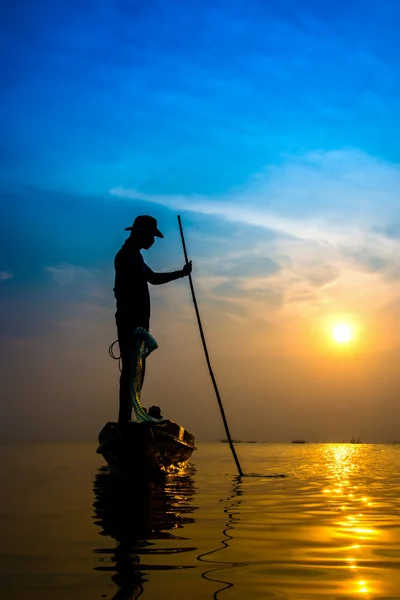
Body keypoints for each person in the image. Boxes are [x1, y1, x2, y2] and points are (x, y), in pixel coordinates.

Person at [114, 215, 192, 424]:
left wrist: (182, 274)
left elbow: (154, 278)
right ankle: (124, 421)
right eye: (151, 236)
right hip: (131, 325)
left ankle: (129, 418)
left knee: (137, 374)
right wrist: (130, 325)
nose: (153, 241)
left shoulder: (136, 258)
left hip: (139, 326)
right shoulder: (125, 257)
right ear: (141, 234)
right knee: (131, 371)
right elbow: (121, 293)